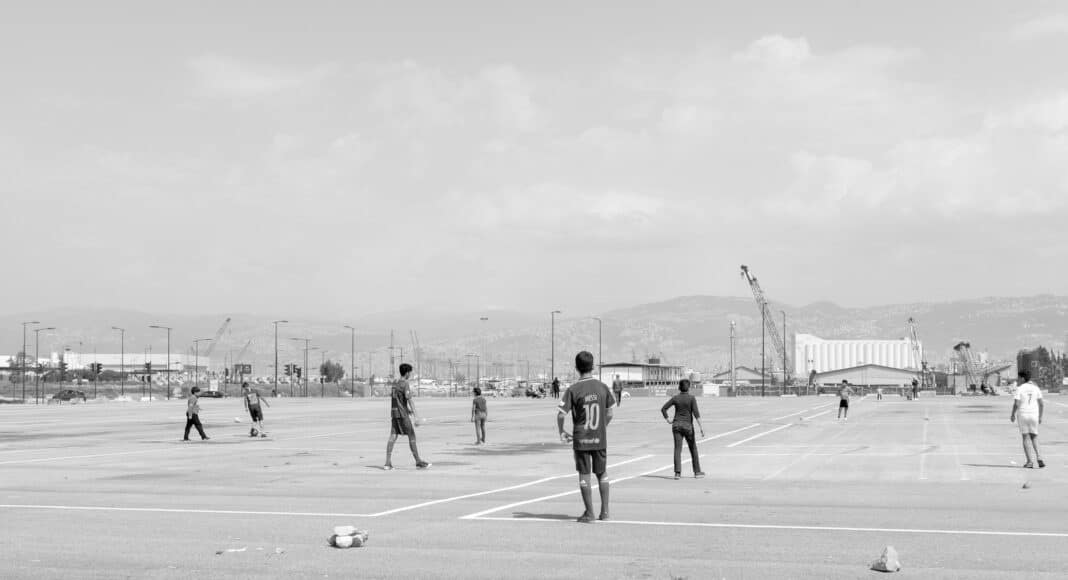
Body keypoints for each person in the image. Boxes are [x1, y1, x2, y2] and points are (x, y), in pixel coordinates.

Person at [556, 351, 615, 523]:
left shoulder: (573, 390)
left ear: (576, 368)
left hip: (581, 438)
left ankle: (589, 513)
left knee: (584, 473)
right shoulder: (602, 387)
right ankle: (605, 512)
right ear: (593, 366)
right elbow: (610, 413)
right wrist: (602, 426)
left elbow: (561, 414)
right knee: (602, 472)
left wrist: (561, 431)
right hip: (599, 437)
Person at [384, 363, 430, 470]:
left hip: (394, 414)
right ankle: (418, 461)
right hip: (402, 415)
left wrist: (406, 409)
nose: (410, 375)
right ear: (407, 373)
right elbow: (410, 400)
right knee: (411, 435)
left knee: (393, 436)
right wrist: (416, 417)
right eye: (410, 373)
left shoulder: (395, 383)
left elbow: (397, 399)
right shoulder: (405, 384)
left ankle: (387, 463)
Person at [661, 378, 706, 480]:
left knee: (677, 449)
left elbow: (663, 409)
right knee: (693, 448)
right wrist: (701, 427)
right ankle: (697, 472)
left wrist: (668, 419)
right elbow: (696, 414)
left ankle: (677, 473)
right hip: (687, 426)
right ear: (689, 388)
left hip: (676, 425)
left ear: (679, 387)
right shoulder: (691, 398)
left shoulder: (675, 398)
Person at [1010, 370, 1045, 469]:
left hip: (1023, 414)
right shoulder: (1036, 388)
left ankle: (1029, 462)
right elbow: (1041, 404)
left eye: (1018, 378)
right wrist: (1040, 416)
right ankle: (1039, 457)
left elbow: (1016, 404)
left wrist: (1012, 414)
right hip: (1034, 414)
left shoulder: (1020, 388)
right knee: (1034, 436)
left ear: (1022, 378)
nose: (1018, 380)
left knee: (1025, 437)